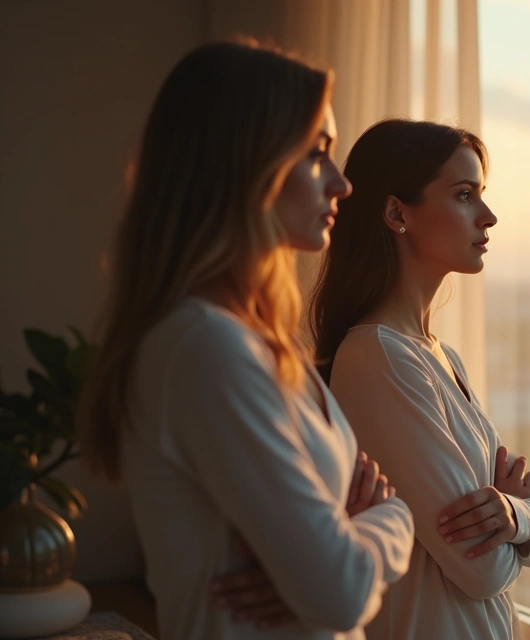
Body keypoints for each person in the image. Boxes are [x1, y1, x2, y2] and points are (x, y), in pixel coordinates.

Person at [76, 40, 414, 640]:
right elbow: (339, 591)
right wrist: (389, 519)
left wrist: (347, 539)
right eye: (317, 154)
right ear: (246, 165)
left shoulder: (262, 342)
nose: (342, 184)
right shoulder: (205, 348)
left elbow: (330, 575)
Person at [310, 118, 530, 639]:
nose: (488, 217)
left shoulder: (440, 357)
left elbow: (525, 519)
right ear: (398, 212)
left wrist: (517, 515)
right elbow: (482, 570)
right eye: (465, 195)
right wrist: (525, 517)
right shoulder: (378, 357)